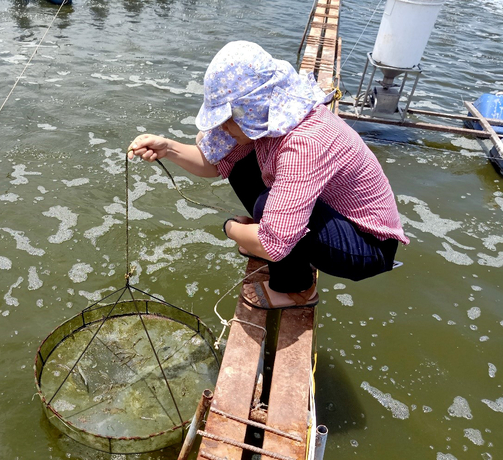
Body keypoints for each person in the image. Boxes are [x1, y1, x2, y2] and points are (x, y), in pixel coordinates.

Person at [127, 41, 409, 310]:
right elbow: (213, 164)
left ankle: (297, 289)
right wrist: (168, 148)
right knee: (239, 163)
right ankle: (281, 232)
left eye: (227, 119)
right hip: (333, 214)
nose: (223, 127)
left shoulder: (304, 142)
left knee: (267, 209)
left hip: (367, 245)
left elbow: (271, 245)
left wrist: (231, 229)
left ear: (252, 107)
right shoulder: (269, 120)